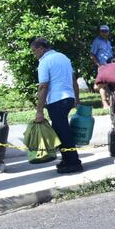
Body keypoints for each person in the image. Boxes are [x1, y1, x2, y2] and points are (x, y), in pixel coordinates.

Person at [30, 38, 83, 174]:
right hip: (68, 98)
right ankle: (67, 159)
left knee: (63, 131)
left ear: (41, 49)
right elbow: (73, 79)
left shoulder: (44, 62)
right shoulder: (63, 57)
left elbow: (43, 87)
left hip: (57, 100)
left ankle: (74, 162)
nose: (34, 54)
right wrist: (76, 98)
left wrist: (39, 110)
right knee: (60, 129)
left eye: (34, 51)